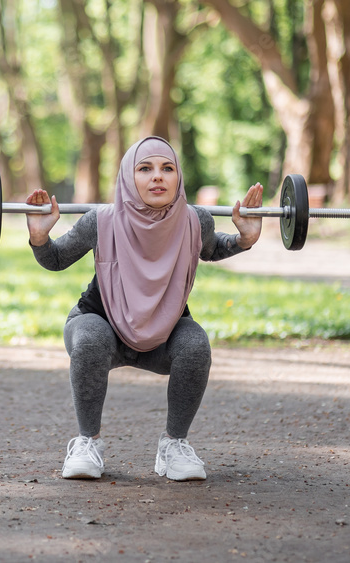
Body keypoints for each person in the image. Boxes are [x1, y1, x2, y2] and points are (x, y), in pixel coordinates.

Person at [26, 137, 264, 481]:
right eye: (145, 168)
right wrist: (39, 238)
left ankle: (173, 446)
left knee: (195, 345)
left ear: (178, 178)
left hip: (164, 333)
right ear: (127, 177)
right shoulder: (102, 220)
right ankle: (86, 443)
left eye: (167, 169)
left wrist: (244, 239)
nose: (158, 177)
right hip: (100, 324)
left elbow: (212, 249)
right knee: (91, 337)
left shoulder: (196, 221)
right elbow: (57, 258)